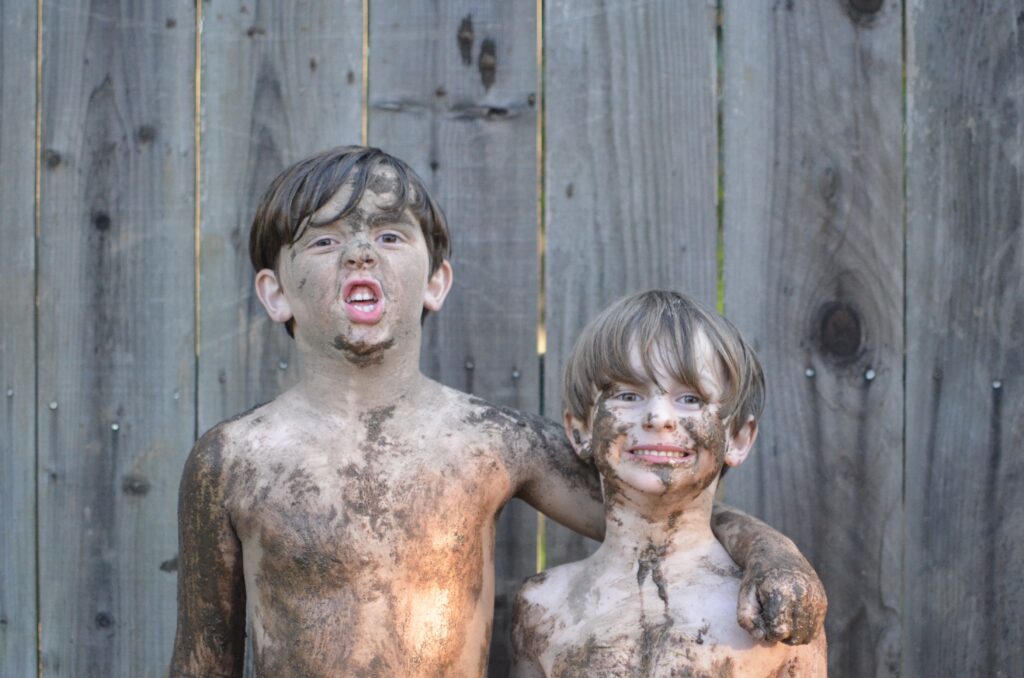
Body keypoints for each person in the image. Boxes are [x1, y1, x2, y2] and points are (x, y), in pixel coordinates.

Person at [171, 147, 826, 677]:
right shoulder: (232, 461)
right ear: (274, 292)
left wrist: (775, 558)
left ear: (436, 281)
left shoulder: (490, 442)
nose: (359, 253)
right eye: (323, 242)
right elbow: (203, 661)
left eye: (390, 234)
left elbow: (657, 512)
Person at [510, 290, 828, 677]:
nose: (658, 416)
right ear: (580, 429)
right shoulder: (543, 607)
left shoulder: (777, 611)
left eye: (691, 399)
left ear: (739, 438)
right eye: (627, 395)